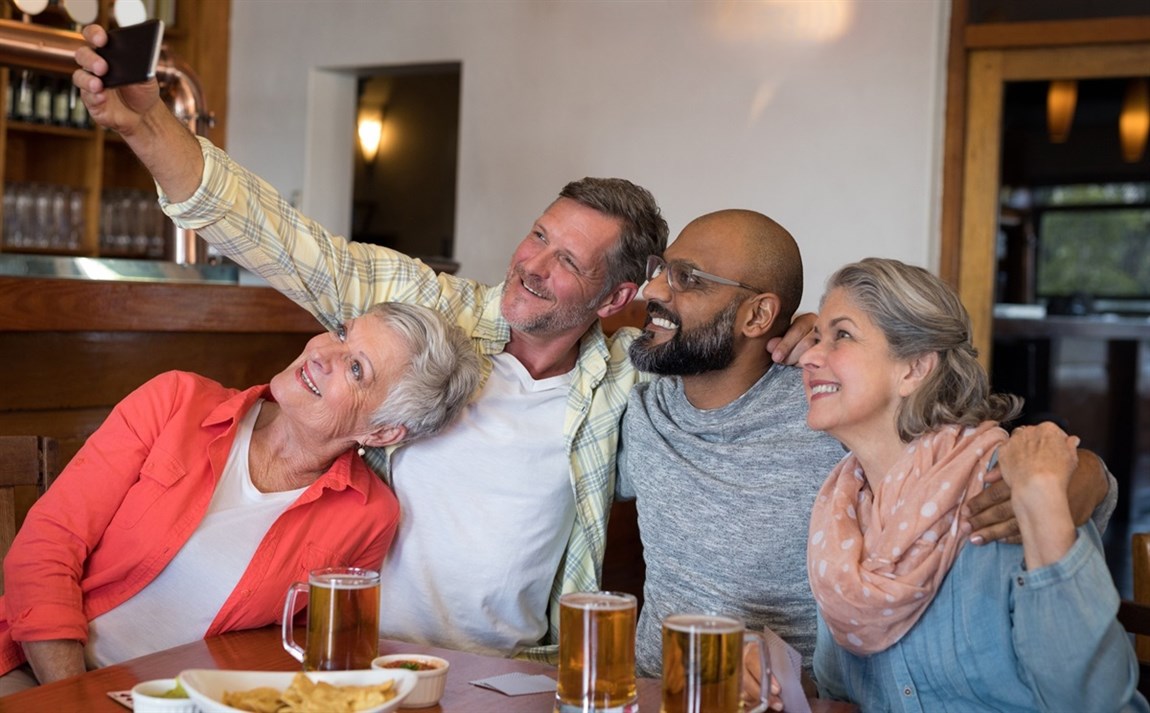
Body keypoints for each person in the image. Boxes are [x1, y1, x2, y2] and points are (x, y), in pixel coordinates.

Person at [72, 26, 822, 660]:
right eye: (538, 235)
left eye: (567, 260)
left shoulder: (629, 386)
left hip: (513, 673)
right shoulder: (428, 312)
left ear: (615, 298)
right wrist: (146, 125)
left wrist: (801, 334)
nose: (532, 264)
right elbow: (274, 235)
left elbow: (722, 359)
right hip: (356, 651)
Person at [0, 302, 479, 694]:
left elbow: (308, 649)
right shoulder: (176, 402)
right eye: (340, 332)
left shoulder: (368, 515)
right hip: (36, 670)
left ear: (381, 432)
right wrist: (75, 697)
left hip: (185, 702)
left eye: (356, 368)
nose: (321, 354)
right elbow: (46, 546)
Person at [796, 258, 1145, 711]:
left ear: (914, 368)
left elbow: (1098, 701)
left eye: (842, 335)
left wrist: (1044, 502)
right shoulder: (839, 517)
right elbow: (841, 697)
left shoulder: (1010, 484)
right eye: (816, 338)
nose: (809, 357)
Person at [617, 210, 845, 683]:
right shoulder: (642, 409)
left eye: (687, 278)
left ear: (757, 315)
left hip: (781, 701)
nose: (652, 290)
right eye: (660, 269)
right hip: (652, 693)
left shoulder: (830, 416)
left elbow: (953, 455)